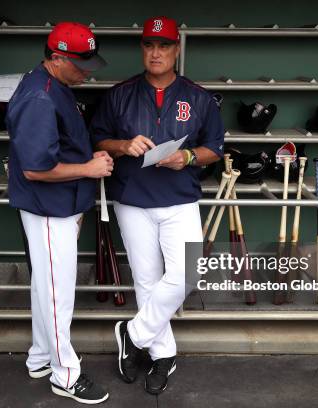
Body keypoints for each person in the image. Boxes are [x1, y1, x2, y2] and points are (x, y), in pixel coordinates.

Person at [90, 16, 224, 395]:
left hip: (180, 197)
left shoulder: (198, 97)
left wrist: (187, 157)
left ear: (176, 49)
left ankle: (131, 333)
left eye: (164, 45)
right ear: (142, 49)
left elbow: (215, 148)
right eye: (149, 45)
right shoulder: (120, 94)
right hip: (132, 198)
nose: (156, 52)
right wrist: (123, 145)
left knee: (187, 274)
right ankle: (163, 355)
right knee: (146, 281)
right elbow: (97, 138)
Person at [6, 21, 111, 404]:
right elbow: (36, 168)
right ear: (56, 57)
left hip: (58, 206)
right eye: (81, 64)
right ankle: (65, 375)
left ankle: (39, 358)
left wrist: (88, 158)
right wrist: (88, 169)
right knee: (56, 294)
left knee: (45, 289)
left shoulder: (57, 86)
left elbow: (60, 148)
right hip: (48, 209)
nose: (87, 71)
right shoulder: (39, 96)